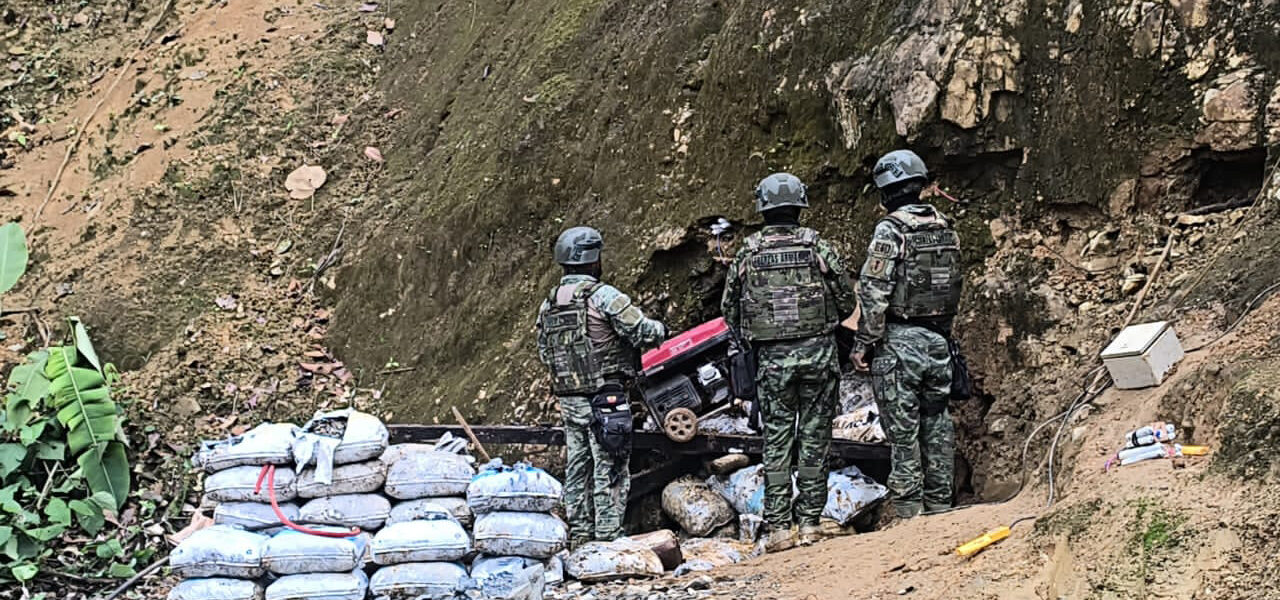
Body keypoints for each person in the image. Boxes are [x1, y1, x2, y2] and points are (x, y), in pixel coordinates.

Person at [721, 173, 858, 551]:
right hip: (819, 357)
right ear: (800, 206)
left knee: (777, 440)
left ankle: (780, 528)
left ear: (762, 208)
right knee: (815, 439)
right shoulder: (818, 247)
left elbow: (729, 310)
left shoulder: (748, 253)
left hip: (772, 361)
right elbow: (847, 302)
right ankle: (810, 524)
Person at [536, 226, 666, 548]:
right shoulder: (603, 295)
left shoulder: (549, 303)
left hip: (570, 399)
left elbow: (544, 352)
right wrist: (660, 328)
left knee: (578, 467)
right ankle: (608, 539)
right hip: (605, 395)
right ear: (594, 260)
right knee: (611, 466)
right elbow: (642, 332)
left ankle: (580, 538)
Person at [850, 150, 963, 519]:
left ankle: (911, 517)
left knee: (903, 435)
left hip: (899, 342)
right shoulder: (944, 226)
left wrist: (864, 343)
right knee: (937, 424)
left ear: (885, 191)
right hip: (939, 341)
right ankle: (941, 509)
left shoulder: (892, 229)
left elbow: (874, 291)